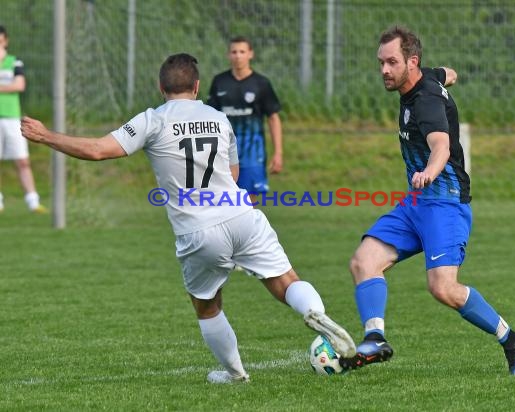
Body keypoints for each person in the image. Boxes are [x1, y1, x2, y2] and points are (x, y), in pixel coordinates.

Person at [20, 53, 356, 384]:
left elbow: (97, 150)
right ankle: (314, 313)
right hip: (242, 215)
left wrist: (45, 135)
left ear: (160, 86)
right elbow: (234, 173)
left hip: (198, 230)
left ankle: (236, 374)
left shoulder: (153, 119)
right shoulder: (218, 118)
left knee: (207, 304)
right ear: (196, 86)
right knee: (286, 281)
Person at [339, 26, 515, 375]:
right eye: (381, 62)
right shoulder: (424, 77)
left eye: (391, 62)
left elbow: (440, 145)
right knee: (363, 261)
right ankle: (375, 337)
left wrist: (429, 171)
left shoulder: (426, 102)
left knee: (443, 287)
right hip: (416, 204)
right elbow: (447, 74)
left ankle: (512, 339)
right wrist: (448, 76)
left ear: (411, 62)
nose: (384, 70)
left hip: (445, 203)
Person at [207, 36, 283, 204]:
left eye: (242, 51)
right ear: (228, 55)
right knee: (223, 202)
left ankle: (246, 230)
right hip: (223, 152)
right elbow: (210, 119)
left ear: (250, 54)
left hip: (252, 153)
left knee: (248, 204)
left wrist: (278, 153)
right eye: (234, 52)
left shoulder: (261, 83)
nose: (238, 56)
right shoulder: (219, 82)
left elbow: (273, 117)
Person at [0, 25, 46, 213]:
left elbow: (19, 85)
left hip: (12, 118)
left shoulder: (14, 62)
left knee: (22, 161)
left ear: (6, 41)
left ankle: (33, 202)